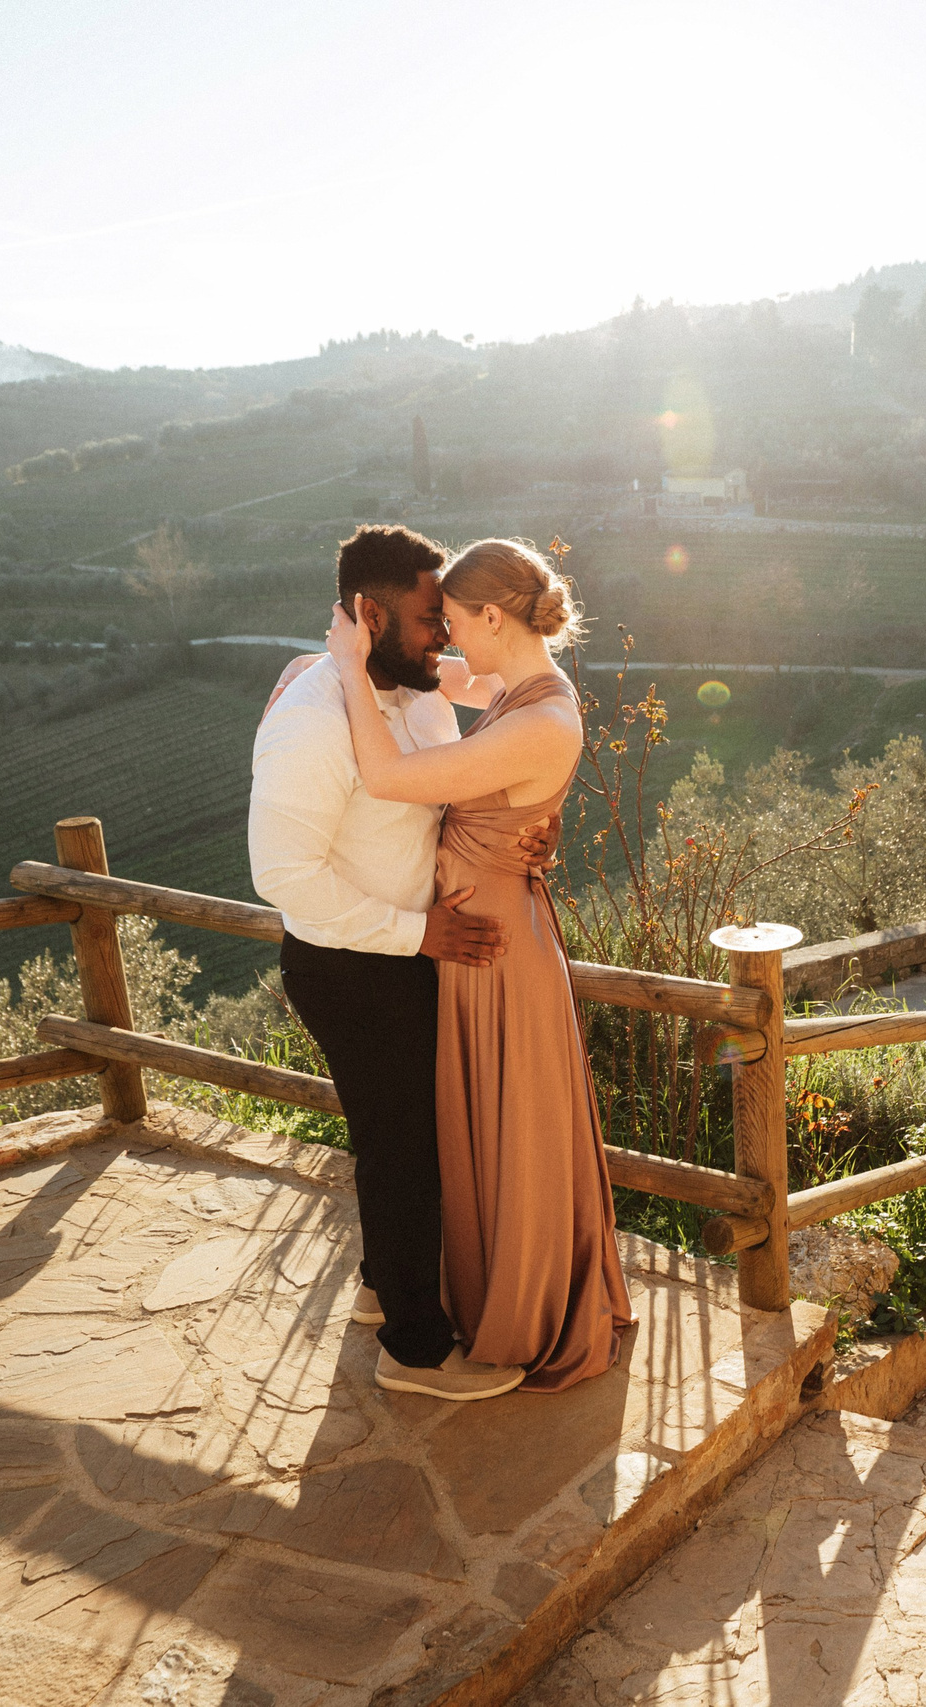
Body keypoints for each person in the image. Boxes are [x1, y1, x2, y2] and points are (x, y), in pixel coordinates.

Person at [322, 537, 633, 1393]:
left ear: (493, 616)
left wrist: (347, 668)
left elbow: (387, 777)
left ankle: (520, 1307)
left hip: (493, 951)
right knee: (473, 1124)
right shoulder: (518, 686)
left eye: (455, 624)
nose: (450, 642)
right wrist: (321, 665)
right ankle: (456, 1284)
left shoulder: (541, 719)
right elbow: (443, 682)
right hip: (479, 936)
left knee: (508, 1129)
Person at [249, 524, 549, 1403]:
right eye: (427, 619)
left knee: (397, 1139)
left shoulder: (416, 688)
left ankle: (386, 1289)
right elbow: (283, 877)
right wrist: (418, 936)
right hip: (350, 966)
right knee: (405, 1146)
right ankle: (416, 1353)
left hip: (409, 951)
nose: (444, 635)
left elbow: (489, 737)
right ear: (370, 615)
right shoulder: (310, 721)